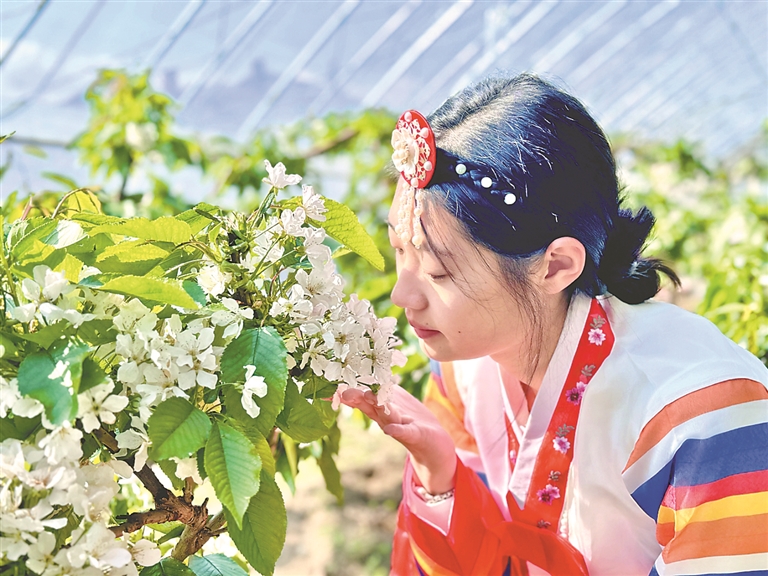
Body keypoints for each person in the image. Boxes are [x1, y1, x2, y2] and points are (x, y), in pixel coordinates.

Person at [340, 74, 768, 576]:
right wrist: (440, 473)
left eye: (438, 271)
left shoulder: (703, 417)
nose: (402, 295)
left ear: (556, 266)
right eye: (399, 249)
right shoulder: (462, 375)